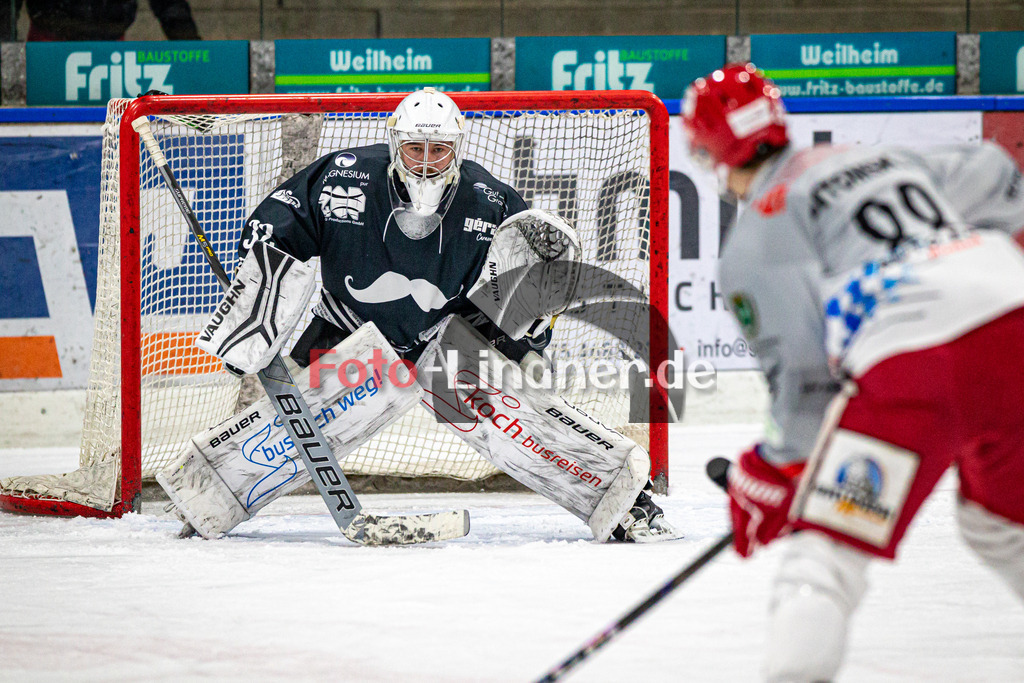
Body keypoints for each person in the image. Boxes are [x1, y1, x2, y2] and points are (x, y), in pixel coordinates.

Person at [190, 87, 672, 543]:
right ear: (394, 143)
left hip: (438, 341)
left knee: (518, 418)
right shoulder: (344, 175)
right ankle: (204, 499)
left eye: (438, 149)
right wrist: (251, 309)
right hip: (344, 327)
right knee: (291, 425)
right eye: (414, 148)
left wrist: (530, 340)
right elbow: (275, 229)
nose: (425, 161)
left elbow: (516, 299)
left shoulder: (491, 200)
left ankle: (626, 500)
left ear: (456, 148)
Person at [682, 63, 1024, 681]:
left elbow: (806, 386)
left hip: (916, 362)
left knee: (824, 558)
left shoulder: (756, 235)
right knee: (1001, 525)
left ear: (713, 151)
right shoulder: (879, 157)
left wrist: (771, 473)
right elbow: (996, 174)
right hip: (1015, 318)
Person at [15, 0, 199, 41]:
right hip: (48, 44)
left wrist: (194, 52)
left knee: (114, 116)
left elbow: (170, 5)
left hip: (110, 47)